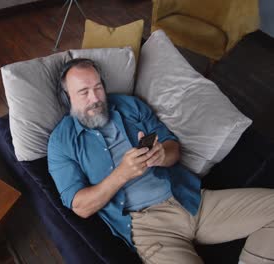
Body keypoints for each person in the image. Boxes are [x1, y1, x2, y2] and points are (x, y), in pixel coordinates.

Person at [47, 58, 274, 264]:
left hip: (189, 199)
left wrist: (163, 155)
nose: (95, 98)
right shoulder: (61, 142)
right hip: (149, 228)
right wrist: (122, 173)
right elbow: (80, 206)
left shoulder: (129, 106)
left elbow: (172, 146)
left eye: (98, 88)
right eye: (84, 92)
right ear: (66, 98)